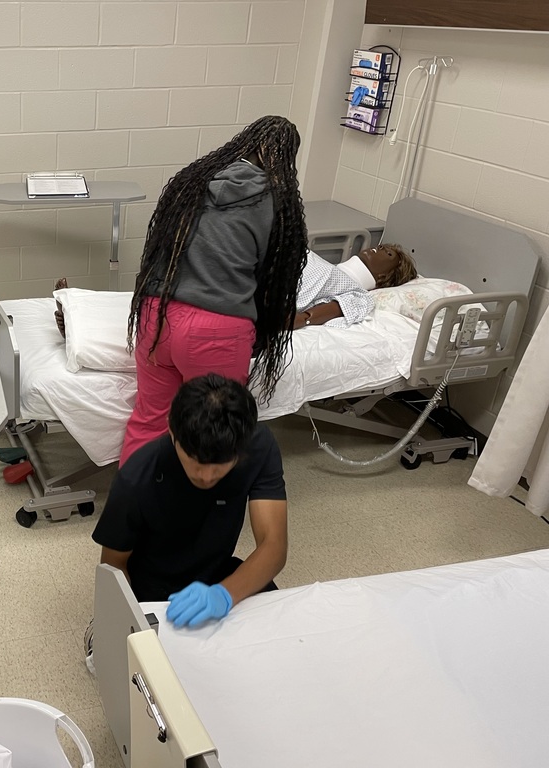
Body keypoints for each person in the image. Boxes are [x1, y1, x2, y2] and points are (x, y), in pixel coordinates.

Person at [121, 115, 309, 466]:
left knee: (149, 421)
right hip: (216, 329)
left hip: (155, 315)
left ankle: (133, 509)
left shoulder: (192, 181)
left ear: (242, 143)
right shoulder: (278, 205)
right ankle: (197, 519)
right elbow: (272, 285)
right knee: (213, 436)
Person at [86, 374, 286, 670]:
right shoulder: (137, 478)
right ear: (172, 431)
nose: (205, 477)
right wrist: (122, 624)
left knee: (280, 641)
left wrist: (224, 594)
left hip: (218, 576)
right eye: (194, 462)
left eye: (219, 469)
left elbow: (274, 545)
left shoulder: (259, 447)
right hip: (152, 591)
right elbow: (114, 569)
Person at [293, 244, 417, 329]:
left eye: (389, 254)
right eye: (381, 246)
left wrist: (303, 319)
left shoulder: (359, 295)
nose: (380, 247)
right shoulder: (328, 267)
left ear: (385, 277)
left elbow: (338, 308)